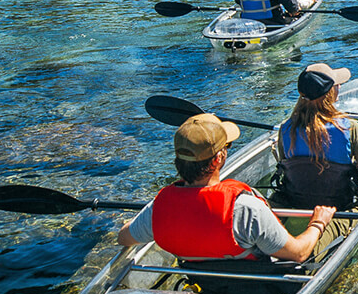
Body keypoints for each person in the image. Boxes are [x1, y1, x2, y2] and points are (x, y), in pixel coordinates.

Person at [118, 113, 335, 264]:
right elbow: (299, 253)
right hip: (259, 286)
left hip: (205, 284)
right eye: (227, 146)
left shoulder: (158, 209)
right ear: (219, 158)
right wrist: (318, 222)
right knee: (336, 225)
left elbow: (123, 238)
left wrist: (141, 221)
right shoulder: (246, 209)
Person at [275, 63, 358, 211]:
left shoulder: (285, 128)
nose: (340, 87)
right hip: (339, 203)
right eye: (336, 85)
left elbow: (284, 164)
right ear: (329, 93)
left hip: (297, 200)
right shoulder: (349, 127)